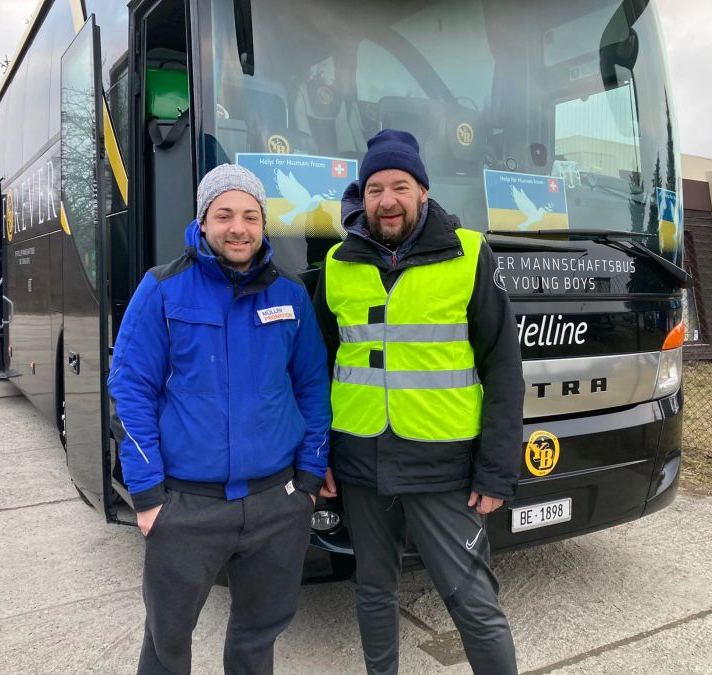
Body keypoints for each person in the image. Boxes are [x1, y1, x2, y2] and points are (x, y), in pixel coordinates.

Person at [313, 129, 524, 674]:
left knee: (473, 603)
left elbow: (503, 367)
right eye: (376, 187)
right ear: (363, 194)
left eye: (400, 186)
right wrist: (319, 457)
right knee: (373, 591)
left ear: (423, 191)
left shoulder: (470, 254)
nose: (387, 200)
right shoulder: (338, 263)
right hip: (358, 461)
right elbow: (316, 368)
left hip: (443, 467)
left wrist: (497, 470)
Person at [108, 164, 331, 675]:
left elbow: (313, 388)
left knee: (259, 636)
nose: (239, 227)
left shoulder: (290, 296)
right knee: (167, 644)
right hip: (187, 507)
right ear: (203, 221)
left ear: (263, 223)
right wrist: (147, 498)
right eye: (224, 214)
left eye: (250, 215)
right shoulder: (163, 289)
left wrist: (310, 479)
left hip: (277, 504)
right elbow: (131, 389)